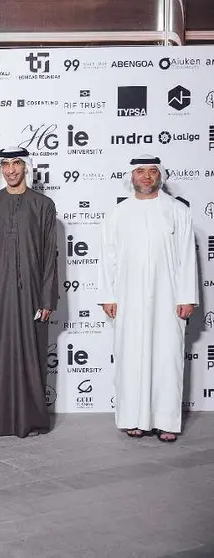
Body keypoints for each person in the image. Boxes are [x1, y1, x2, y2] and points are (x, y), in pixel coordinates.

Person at [99, 155, 197, 443]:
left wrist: (187, 296)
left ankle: (166, 421)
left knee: (167, 357)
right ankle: (134, 419)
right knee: (131, 358)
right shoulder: (117, 213)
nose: (145, 176)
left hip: (169, 300)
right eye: (140, 171)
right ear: (131, 177)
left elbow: (187, 257)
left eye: (151, 171)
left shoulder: (177, 211)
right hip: (128, 299)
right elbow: (108, 258)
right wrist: (108, 295)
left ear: (159, 176)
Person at [0, 146, 57, 438]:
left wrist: (47, 298)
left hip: (32, 294)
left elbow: (49, 257)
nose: (11, 170)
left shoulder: (43, 205)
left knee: (31, 354)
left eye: (17, 163)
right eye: (6, 164)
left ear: (26, 167)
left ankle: (30, 420)